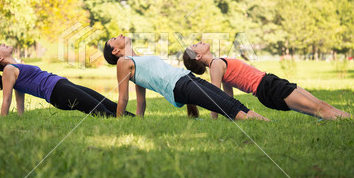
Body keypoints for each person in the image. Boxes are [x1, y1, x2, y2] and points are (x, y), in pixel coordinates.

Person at [103, 34, 270, 121]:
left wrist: (139, 119)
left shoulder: (136, 61)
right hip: (180, 85)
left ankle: (265, 121)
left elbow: (141, 101)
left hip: (185, 77)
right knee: (225, 105)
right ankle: (262, 124)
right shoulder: (123, 62)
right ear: (115, 52)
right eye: (114, 39)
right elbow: (123, 97)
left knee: (229, 101)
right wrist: (121, 122)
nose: (119, 35)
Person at [183, 41, 354, 120]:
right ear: (198, 56)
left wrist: (229, 113)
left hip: (271, 82)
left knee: (322, 106)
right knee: (320, 109)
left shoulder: (219, 63)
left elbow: (227, 96)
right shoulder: (216, 65)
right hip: (268, 89)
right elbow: (216, 98)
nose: (198, 42)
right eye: (195, 46)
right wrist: (215, 121)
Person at [0, 44, 134, 117]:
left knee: (105, 102)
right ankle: (124, 124)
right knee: (100, 110)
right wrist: (3, 123)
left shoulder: (16, 67)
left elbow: (20, 98)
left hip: (62, 85)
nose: (2, 44)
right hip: (58, 92)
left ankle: (134, 119)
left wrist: (20, 117)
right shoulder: (8, 70)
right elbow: (7, 100)